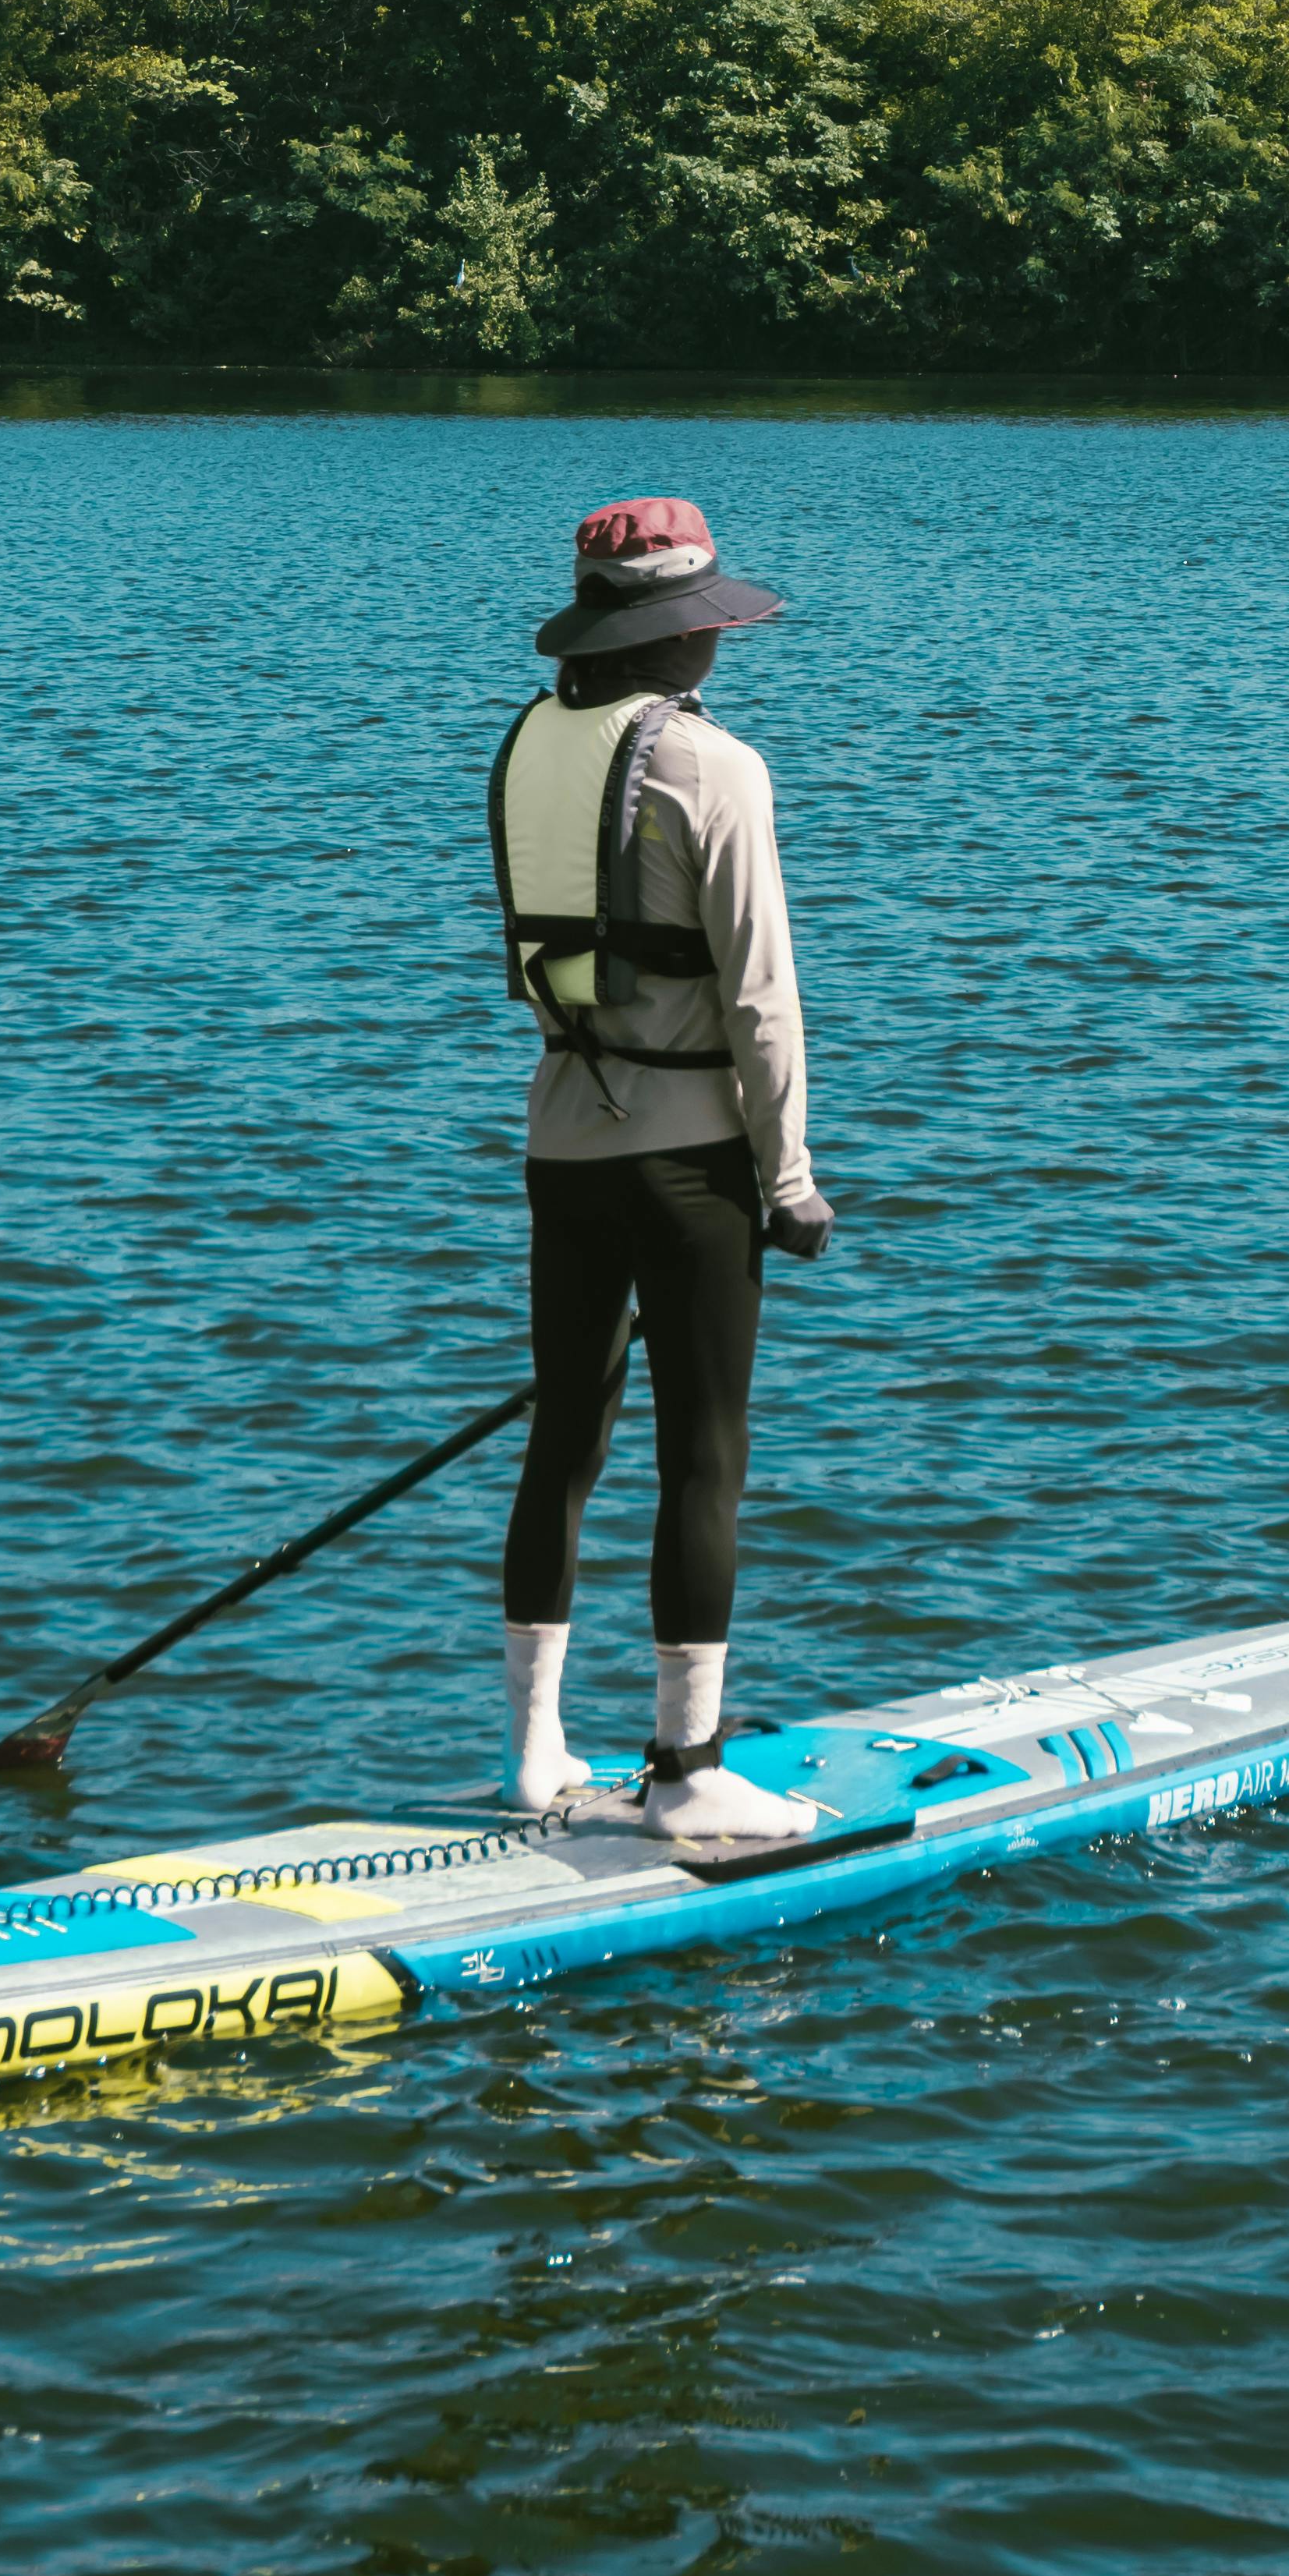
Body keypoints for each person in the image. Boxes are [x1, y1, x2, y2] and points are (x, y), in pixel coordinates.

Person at [486, 493, 836, 1839]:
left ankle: (533, 1754)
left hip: (558, 1139)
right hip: (691, 1159)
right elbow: (763, 997)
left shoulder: (527, 747)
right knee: (705, 1455)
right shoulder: (716, 768)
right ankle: (688, 1775)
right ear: (678, 636)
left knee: (564, 1440)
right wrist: (790, 1180)